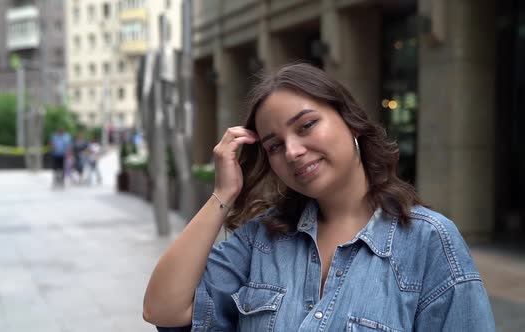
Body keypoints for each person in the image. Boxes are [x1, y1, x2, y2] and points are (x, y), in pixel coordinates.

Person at [143, 63, 495, 331]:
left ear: (350, 121)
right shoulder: (262, 240)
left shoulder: (429, 242)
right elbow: (162, 309)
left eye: (306, 125)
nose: (293, 151)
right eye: (275, 145)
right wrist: (223, 193)